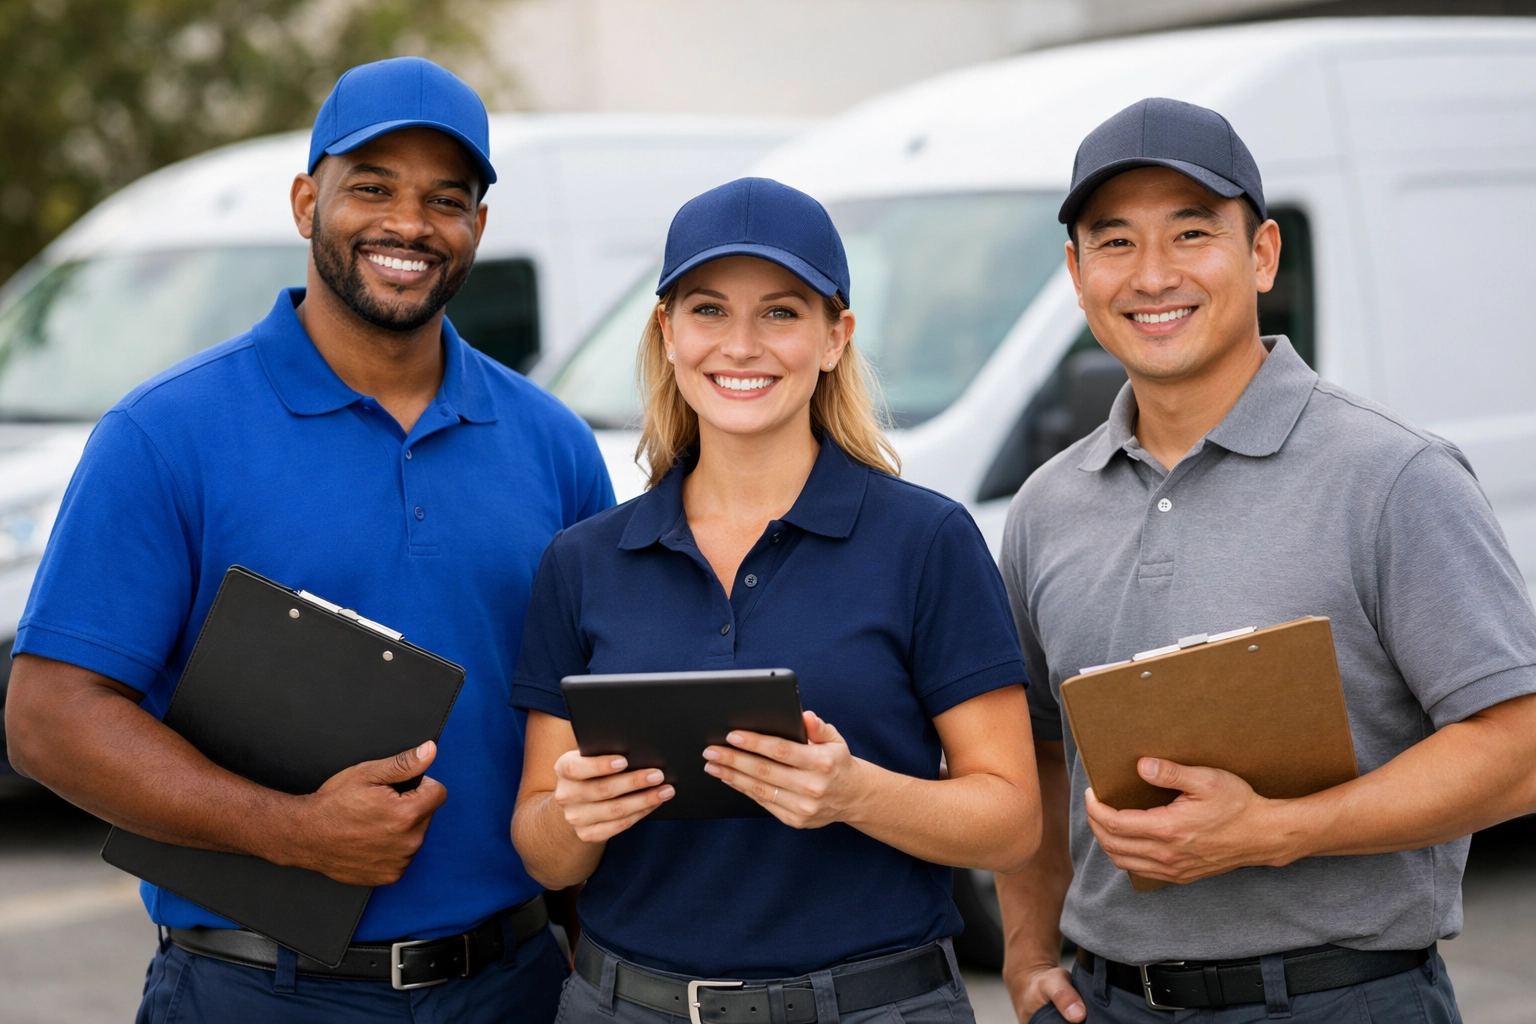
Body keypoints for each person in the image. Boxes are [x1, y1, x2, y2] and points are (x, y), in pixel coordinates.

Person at [3, 57, 613, 1023]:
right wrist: (291, 832)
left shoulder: (552, 445)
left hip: (511, 989)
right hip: (253, 990)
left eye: (444, 200)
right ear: (304, 202)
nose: (408, 225)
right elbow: (47, 719)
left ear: (479, 229)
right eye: (370, 187)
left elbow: (585, 728)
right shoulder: (168, 433)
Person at [997, 96, 1536, 1024]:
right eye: (1115, 242)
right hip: (1106, 1001)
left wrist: (1277, 831)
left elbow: (1520, 749)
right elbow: (1041, 751)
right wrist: (1026, 947)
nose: (1153, 275)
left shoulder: (1393, 475)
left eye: (1192, 233)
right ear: (1077, 273)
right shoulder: (1048, 505)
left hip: (1343, 1001)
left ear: (1263, 255)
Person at [509, 176, 1041, 1022]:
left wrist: (854, 793)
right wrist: (580, 815)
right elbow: (547, 859)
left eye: (783, 313)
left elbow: (1011, 822)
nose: (742, 345)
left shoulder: (925, 543)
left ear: (836, 337)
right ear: (668, 333)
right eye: (709, 310)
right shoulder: (584, 563)